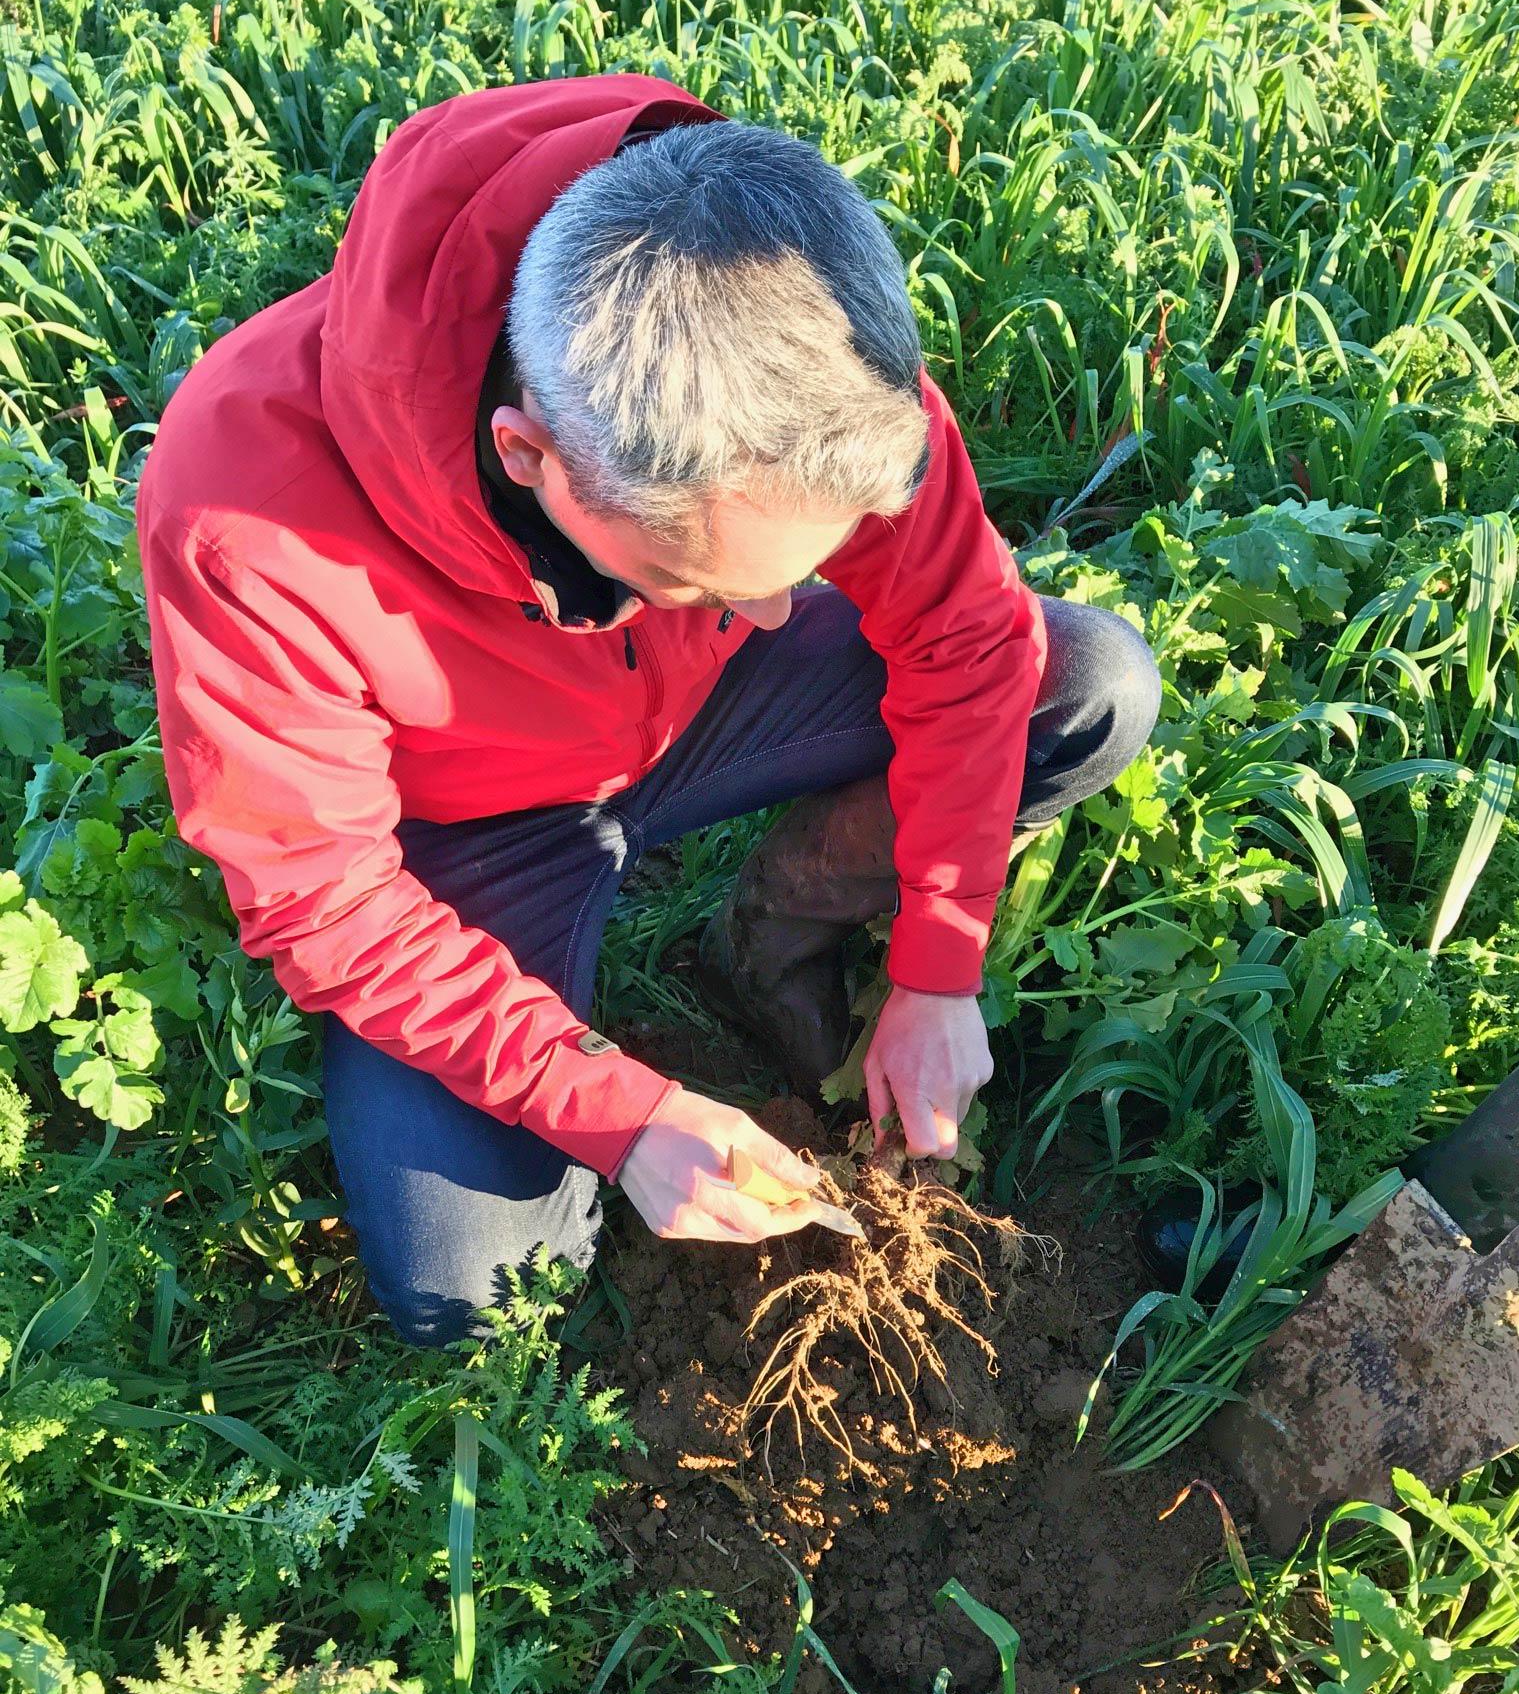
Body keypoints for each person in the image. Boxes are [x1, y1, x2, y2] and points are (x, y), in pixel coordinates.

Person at [138, 76, 1161, 1347]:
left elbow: (961, 636)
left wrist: (941, 959)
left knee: (1089, 684)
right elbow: (328, 900)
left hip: (702, 698)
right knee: (474, 1296)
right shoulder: (247, 515)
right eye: (704, 574)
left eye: (814, 564)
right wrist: (616, 1110)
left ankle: (773, 938)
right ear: (531, 457)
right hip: (469, 828)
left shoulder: (798, 343)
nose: (796, 609)